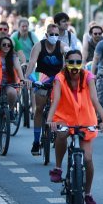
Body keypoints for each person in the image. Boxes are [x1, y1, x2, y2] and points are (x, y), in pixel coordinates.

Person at [46, 49, 103, 204]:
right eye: (71, 62)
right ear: (66, 64)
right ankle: (58, 168)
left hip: (86, 119)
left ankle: (87, 194)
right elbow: (56, 99)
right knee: (61, 134)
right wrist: (50, 120)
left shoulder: (88, 77)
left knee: (87, 159)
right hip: (64, 117)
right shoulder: (59, 78)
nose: (74, 66)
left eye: (77, 62)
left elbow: (95, 99)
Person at [25, 23, 66, 154]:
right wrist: (27, 78)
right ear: (46, 35)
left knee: (60, 108)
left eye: (56, 34)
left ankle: (58, 132)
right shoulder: (39, 46)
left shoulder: (61, 46)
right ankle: (36, 141)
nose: (54, 37)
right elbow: (32, 63)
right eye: (51, 34)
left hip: (57, 80)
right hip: (41, 80)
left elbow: (67, 58)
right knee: (39, 109)